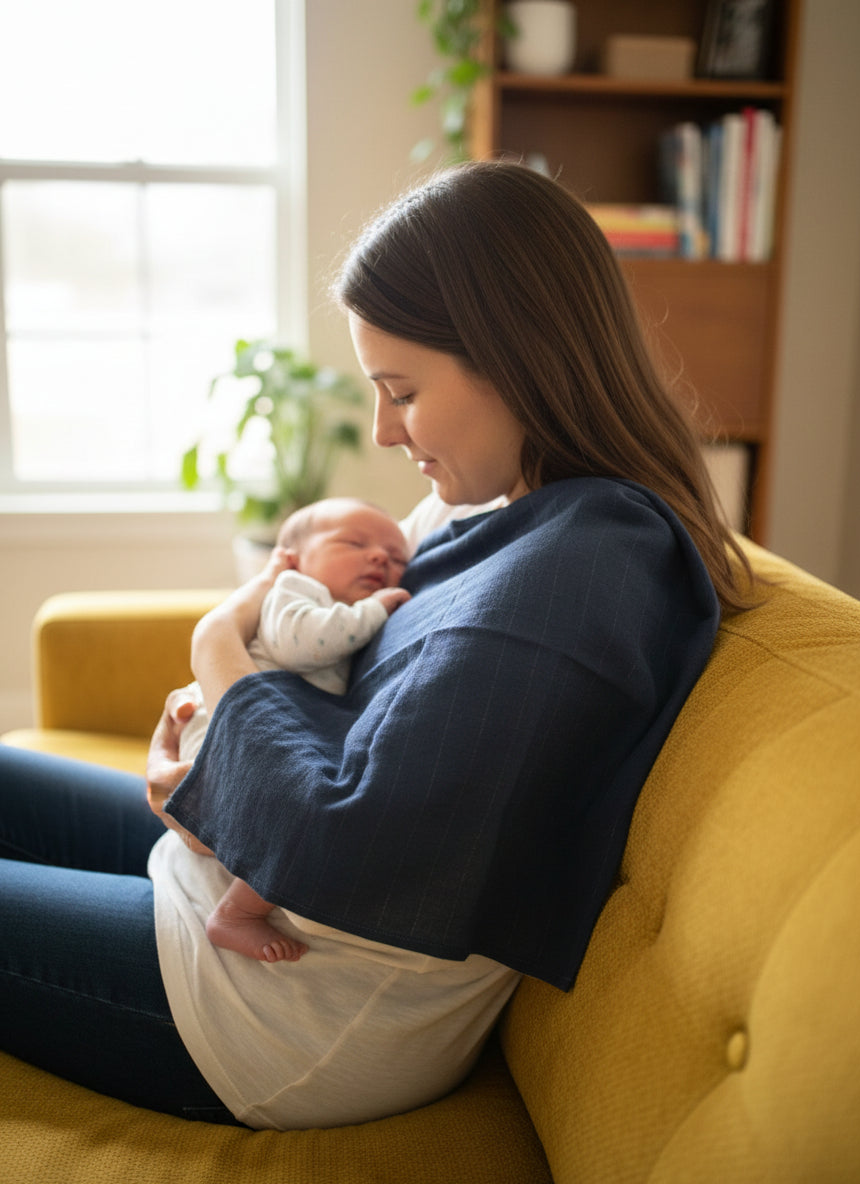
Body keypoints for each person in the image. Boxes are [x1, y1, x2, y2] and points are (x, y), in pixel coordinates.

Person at [0, 160, 754, 1130]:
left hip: (286, 1007)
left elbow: (346, 843)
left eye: (401, 389)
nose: (383, 429)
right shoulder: (493, 502)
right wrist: (206, 768)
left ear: (516, 357)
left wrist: (217, 662)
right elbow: (339, 664)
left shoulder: (582, 575)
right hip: (244, 891)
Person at [178, 496, 410, 964]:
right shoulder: (294, 590)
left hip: (267, 722)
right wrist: (376, 609)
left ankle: (237, 905)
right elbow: (303, 644)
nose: (381, 557)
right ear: (292, 557)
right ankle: (235, 916)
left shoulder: (335, 607)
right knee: (288, 808)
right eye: (354, 542)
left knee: (296, 810)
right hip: (228, 725)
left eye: (398, 556)